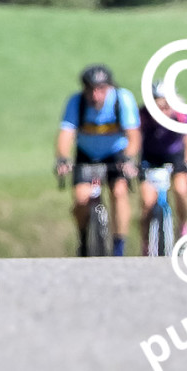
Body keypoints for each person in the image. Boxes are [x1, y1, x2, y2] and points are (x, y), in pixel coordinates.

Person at [54, 63, 140, 256]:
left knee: (119, 192)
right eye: (90, 90)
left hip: (115, 154)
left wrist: (128, 158)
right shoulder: (76, 102)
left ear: (109, 87)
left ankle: (119, 246)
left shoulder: (122, 99)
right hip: (86, 154)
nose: (95, 95)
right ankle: (83, 239)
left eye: (101, 89)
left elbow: (133, 136)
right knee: (81, 199)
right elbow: (66, 134)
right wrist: (62, 159)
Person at [138, 81, 187, 240]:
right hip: (150, 157)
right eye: (158, 107)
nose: (162, 111)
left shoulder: (181, 115)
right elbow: (134, 138)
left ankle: (183, 224)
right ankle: (146, 243)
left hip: (175, 156)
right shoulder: (142, 115)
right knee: (147, 202)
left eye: (166, 106)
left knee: (181, 190)